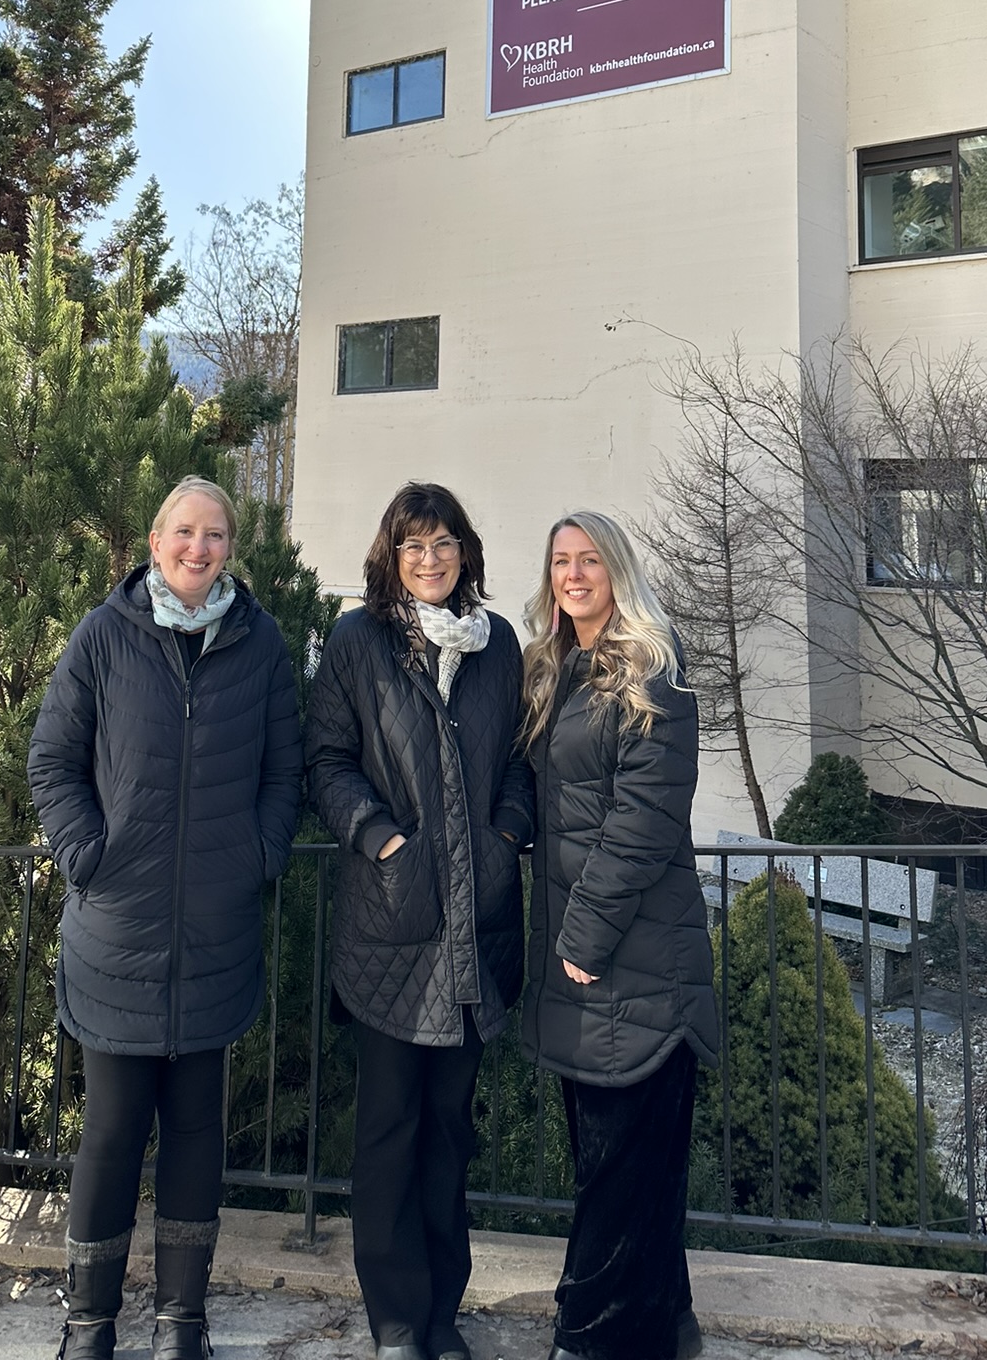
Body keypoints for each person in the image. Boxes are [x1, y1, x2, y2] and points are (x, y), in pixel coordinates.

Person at [28, 478, 302, 1360]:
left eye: (215, 534)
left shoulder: (260, 646)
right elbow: (52, 761)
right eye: (185, 532)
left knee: (194, 1135)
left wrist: (256, 858)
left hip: (217, 933)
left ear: (231, 547)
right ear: (155, 542)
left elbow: (283, 776)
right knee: (110, 1135)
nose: (199, 547)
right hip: (117, 933)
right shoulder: (105, 637)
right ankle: (89, 1323)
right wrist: (88, 856)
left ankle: (183, 1320)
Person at [305, 481, 534, 1360]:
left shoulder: (498, 646)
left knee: (449, 1135)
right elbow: (324, 759)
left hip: (477, 931)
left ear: (466, 553)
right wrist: (381, 839)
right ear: (390, 558)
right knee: (390, 1134)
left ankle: (444, 1312)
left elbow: (521, 758)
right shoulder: (360, 642)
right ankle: (398, 1320)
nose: (430, 559)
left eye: (444, 544)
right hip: (389, 933)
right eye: (413, 547)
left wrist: (508, 829)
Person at [520, 512, 717, 1360]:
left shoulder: (652, 678)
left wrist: (583, 940)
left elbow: (641, 823)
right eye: (561, 562)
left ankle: (593, 1339)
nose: (574, 575)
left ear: (617, 571)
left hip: (632, 966)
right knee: (630, 1175)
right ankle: (667, 1327)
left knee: (616, 1177)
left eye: (589, 560)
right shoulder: (559, 671)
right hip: (592, 963)